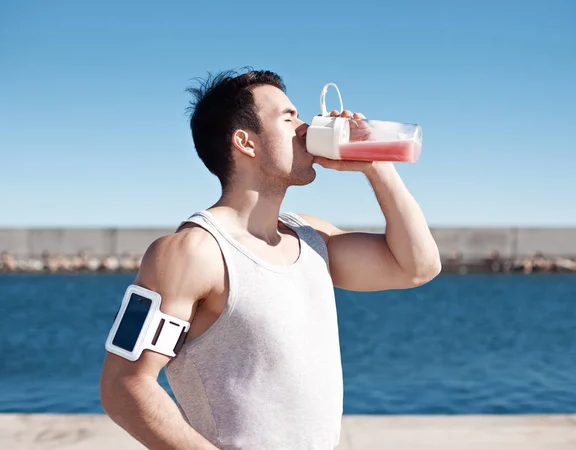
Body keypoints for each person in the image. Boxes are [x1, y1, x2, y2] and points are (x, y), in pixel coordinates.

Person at [99, 69, 441, 450]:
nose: (306, 127)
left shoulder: (313, 240)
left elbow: (418, 267)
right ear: (246, 142)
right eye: (288, 117)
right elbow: (123, 384)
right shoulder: (190, 252)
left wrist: (376, 166)